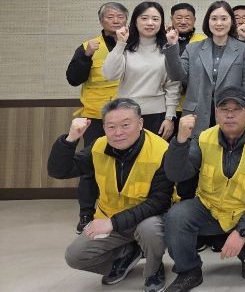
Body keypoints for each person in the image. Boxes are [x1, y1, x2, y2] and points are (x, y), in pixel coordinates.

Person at [47, 98, 172, 292]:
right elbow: (59, 171)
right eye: (111, 127)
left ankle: (154, 269)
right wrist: (71, 139)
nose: (118, 132)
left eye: (125, 125)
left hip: (146, 218)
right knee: (75, 256)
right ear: (104, 127)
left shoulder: (160, 150)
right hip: (111, 217)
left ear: (140, 123)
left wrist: (113, 223)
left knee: (150, 229)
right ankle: (127, 254)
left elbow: (159, 202)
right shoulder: (99, 146)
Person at [163, 89, 245, 291]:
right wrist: (180, 140)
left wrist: (242, 231)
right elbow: (177, 174)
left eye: (236, 109)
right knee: (176, 217)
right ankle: (189, 271)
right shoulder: (204, 138)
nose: (229, 115)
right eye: (224, 109)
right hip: (209, 207)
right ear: (216, 113)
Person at [66, 1, 128, 233]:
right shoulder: (88, 46)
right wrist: (86, 56)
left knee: (127, 166)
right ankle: (86, 213)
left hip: (128, 117)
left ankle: (123, 211)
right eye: (110, 17)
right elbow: (73, 79)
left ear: (127, 20)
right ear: (101, 21)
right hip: (96, 117)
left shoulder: (135, 43)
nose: (116, 21)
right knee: (91, 166)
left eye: (120, 16)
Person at [164, 0, 245, 137]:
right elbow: (177, 75)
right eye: (214, 19)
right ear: (207, 21)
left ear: (231, 22)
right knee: (195, 149)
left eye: (224, 19)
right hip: (195, 115)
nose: (219, 23)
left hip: (230, 114)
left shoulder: (243, 50)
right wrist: (172, 46)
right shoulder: (192, 48)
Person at [102, 1, 180, 139]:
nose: (150, 23)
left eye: (155, 19)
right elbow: (109, 75)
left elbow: (173, 86)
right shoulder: (124, 48)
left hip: (158, 115)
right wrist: (120, 44)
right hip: (126, 114)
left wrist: (169, 117)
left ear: (161, 23)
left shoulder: (167, 48)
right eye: (144, 18)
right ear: (135, 21)